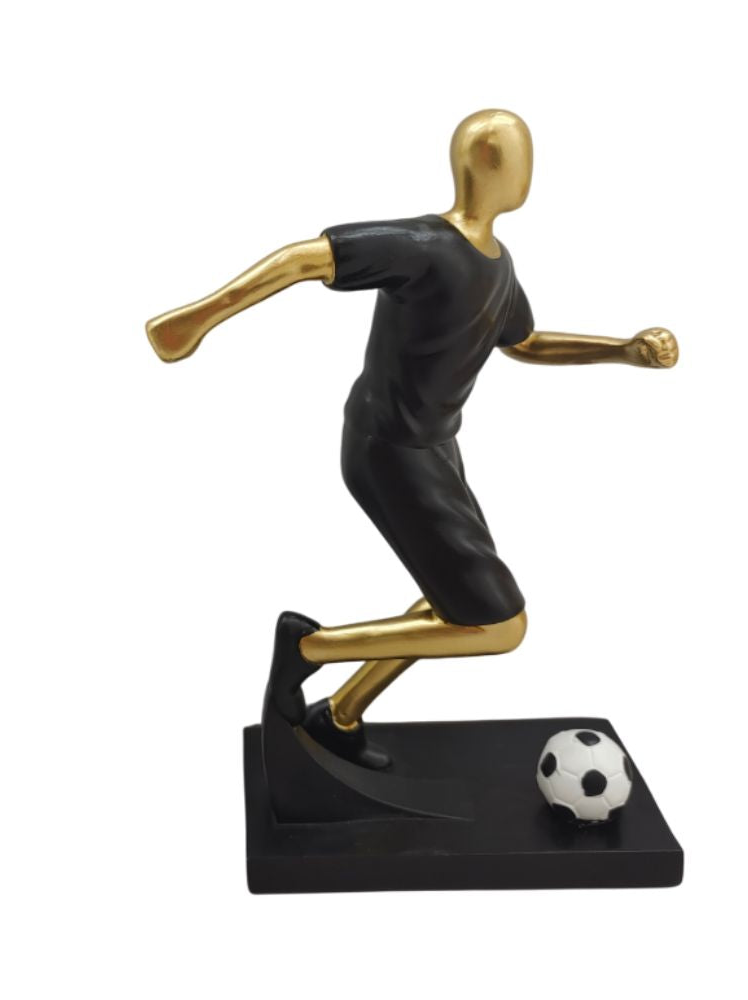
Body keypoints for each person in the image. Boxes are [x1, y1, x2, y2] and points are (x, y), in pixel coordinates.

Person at [146, 109, 678, 768]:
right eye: (518, 155)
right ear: (491, 168)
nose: (527, 169)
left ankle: (340, 715)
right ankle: (307, 649)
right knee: (498, 624)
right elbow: (306, 258)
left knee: (452, 598)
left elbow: (527, 343)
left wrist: (624, 349)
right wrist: (198, 318)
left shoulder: (498, 264)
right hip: (389, 451)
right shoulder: (425, 245)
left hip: (434, 448)